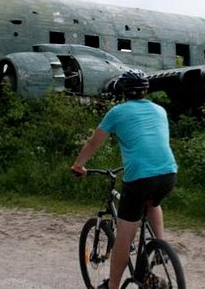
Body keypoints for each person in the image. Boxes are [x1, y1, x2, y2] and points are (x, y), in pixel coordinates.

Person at [71, 69, 178, 289]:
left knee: (123, 239)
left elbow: (93, 143)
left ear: (123, 91)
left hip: (140, 177)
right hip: (168, 173)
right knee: (153, 203)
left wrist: (78, 165)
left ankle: (112, 286)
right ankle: (160, 246)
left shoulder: (117, 112)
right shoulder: (159, 110)